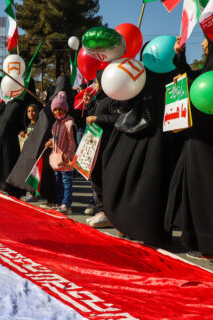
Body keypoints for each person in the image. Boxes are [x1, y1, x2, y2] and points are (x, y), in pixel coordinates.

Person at [102, 44, 183, 246]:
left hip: (143, 136)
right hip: (160, 138)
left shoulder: (146, 75)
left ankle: (132, 227)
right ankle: (144, 229)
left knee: (136, 181)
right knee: (153, 185)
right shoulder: (176, 76)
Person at [164, 36, 213, 259]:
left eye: (207, 41)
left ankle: (212, 245)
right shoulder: (210, 66)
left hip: (209, 142)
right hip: (199, 139)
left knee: (209, 190)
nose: (203, 45)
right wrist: (181, 55)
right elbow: (197, 80)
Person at [7, 76, 73, 206]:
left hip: (52, 143)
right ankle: (51, 198)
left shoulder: (61, 101)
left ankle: (58, 200)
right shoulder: (57, 101)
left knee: (55, 175)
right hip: (45, 141)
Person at [83, 71, 121, 228]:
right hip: (94, 144)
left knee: (105, 177)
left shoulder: (113, 99)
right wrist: (89, 104)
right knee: (95, 176)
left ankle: (108, 212)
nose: (95, 86)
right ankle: (101, 209)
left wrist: (98, 119)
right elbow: (92, 116)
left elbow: (116, 119)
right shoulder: (99, 99)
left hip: (106, 144)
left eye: (97, 83)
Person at [44, 91, 77, 214]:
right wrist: (51, 142)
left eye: (60, 109)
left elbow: (73, 143)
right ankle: (60, 202)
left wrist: (68, 156)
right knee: (59, 183)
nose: (58, 112)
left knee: (67, 183)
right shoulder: (55, 124)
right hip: (56, 160)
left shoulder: (69, 124)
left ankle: (66, 204)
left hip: (66, 160)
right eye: (55, 109)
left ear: (65, 109)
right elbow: (57, 138)